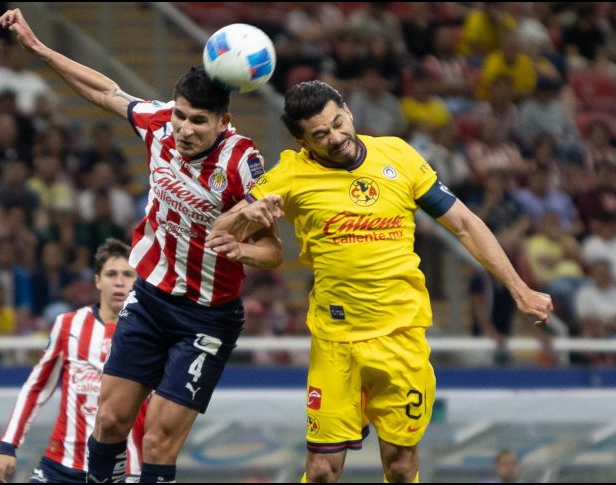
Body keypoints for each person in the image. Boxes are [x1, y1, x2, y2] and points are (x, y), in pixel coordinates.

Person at [208, 80, 552, 483]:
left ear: (348, 111)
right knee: (321, 471)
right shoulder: (289, 175)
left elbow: (464, 223)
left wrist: (519, 288)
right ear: (303, 142)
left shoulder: (398, 156)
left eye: (338, 123)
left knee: (402, 468)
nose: (336, 137)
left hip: (401, 338)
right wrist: (247, 214)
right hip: (337, 343)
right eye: (321, 135)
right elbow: (220, 230)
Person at [0, 8, 282, 483]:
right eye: (181, 115)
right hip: (150, 298)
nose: (185, 129)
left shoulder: (242, 163)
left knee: (157, 440)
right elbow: (103, 91)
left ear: (223, 121)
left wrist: (244, 251)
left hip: (207, 316)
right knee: (109, 420)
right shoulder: (159, 124)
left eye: (198, 121)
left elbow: (274, 252)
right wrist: (39, 48)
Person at [0, 239, 142, 483]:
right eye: (111, 274)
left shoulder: (148, 335)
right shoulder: (69, 324)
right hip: (61, 466)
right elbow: (36, 387)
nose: (119, 281)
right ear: (97, 280)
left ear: (138, 281)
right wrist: (8, 445)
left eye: (128, 274)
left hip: (120, 472)